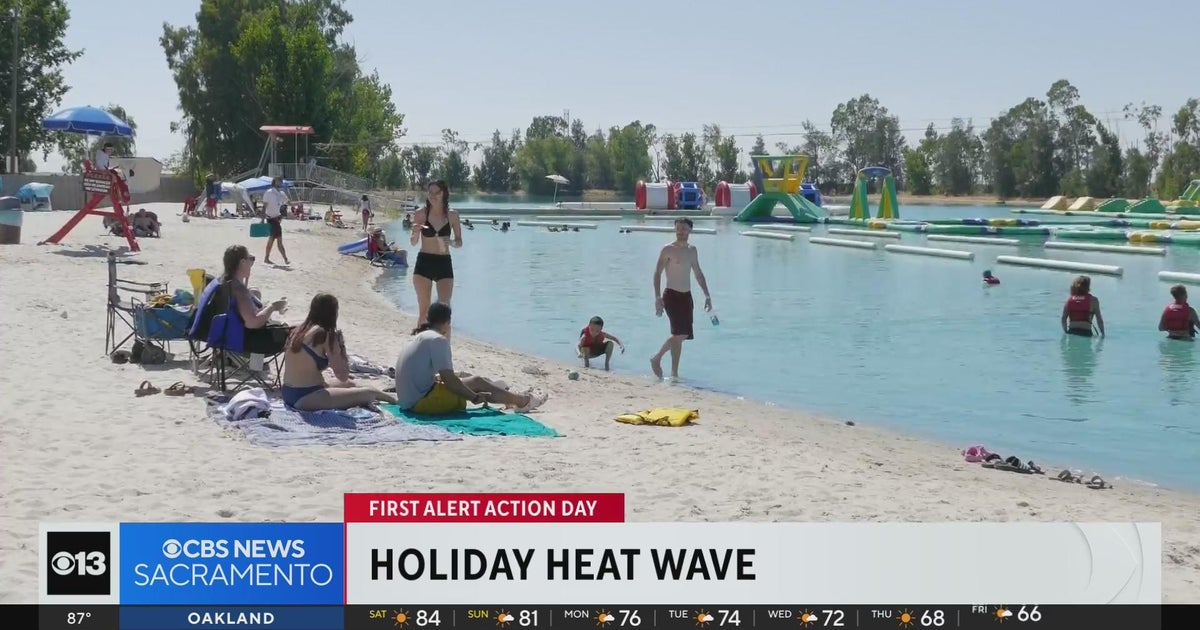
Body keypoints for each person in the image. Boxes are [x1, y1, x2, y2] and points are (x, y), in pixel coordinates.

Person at [394, 302, 547, 414]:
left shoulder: (420, 337)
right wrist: (474, 397)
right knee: (478, 383)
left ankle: (510, 397)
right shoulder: (438, 340)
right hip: (421, 404)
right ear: (448, 322)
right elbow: (450, 380)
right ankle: (523, 401)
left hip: (408, 401)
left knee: (475, 381)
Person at [281, 293, 397, 410]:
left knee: (351, 384)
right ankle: (398, 402)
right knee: (369, 392)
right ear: (333, 313)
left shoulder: (298, 330)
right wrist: (341, 347)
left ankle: (387, 398)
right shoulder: (326, 334)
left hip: (288, 392)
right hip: (307, 396)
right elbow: (342, 375)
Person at [650, 218, 712, 380]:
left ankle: (674, 374)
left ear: (690, 230)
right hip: (671, 295)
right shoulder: (668, 249)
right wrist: (657, 297)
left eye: (684, 229)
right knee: (681, 334)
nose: (680, 232)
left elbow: (698, 274)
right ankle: (657, 357)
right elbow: (657, 273)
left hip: (686, 296)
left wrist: (707, 295)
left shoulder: (692, 251)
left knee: (680, 337)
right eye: (678, 229)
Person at [409, 180, 463, 326]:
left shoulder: (452, 216)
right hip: (424, 262)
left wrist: (450, 242)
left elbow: (459, 242)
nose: (432, 196)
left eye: (436, 193)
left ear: (443, 193)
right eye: (430, 192)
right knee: (424, 311)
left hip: (444, 263)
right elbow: (413, 242)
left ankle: (445, 348)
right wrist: (415, 233)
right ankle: (421, 345)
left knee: (445, 312)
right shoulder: (420, 214)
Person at [262, 177, 290, 265]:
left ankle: (283, 259)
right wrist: (262, 220)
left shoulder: (281, 193)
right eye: (278, 181)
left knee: (276, 240)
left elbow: (288, 202)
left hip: (277, 219)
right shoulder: (269, 192)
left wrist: (299, 203)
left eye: (280, 181)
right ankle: (284, 259)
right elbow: (264, 207)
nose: (280, 183)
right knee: (273, 240)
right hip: (270, 219)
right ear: (274, 182)